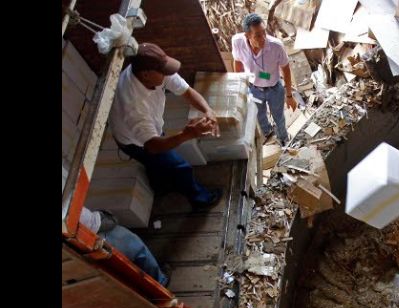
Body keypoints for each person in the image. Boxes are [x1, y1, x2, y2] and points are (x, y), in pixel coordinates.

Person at [108, 43, 223, 209]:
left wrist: (208, 111)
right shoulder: (134, 105)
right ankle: (201, 199)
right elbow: (153, 146)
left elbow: (187, 92)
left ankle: (160, 187)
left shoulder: (154, 71)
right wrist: (188, 134)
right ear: (146, 75)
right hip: (134, 142)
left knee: (155, 164)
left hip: (148, 130)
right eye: (163, 71)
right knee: (180, 167)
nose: (168, 74)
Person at [231, 13, 298, 146]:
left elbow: (286, 69)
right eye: (257, 35)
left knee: (279, 116)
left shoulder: (276, 46)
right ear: (247, 35)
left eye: (264, 32)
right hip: (254, 89)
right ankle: (268, 133)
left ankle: (283, 138)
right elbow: (237, 61)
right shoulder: (238, 42)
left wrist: (289, 95)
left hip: (274, 88)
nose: (263, 38)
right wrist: (241, 87)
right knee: (259, 115)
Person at [79, 207, 169, 287]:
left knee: (121, 270)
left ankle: (151, 287)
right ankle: (160, 281)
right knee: (137, 250)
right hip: (95, 232)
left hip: (86, 244)